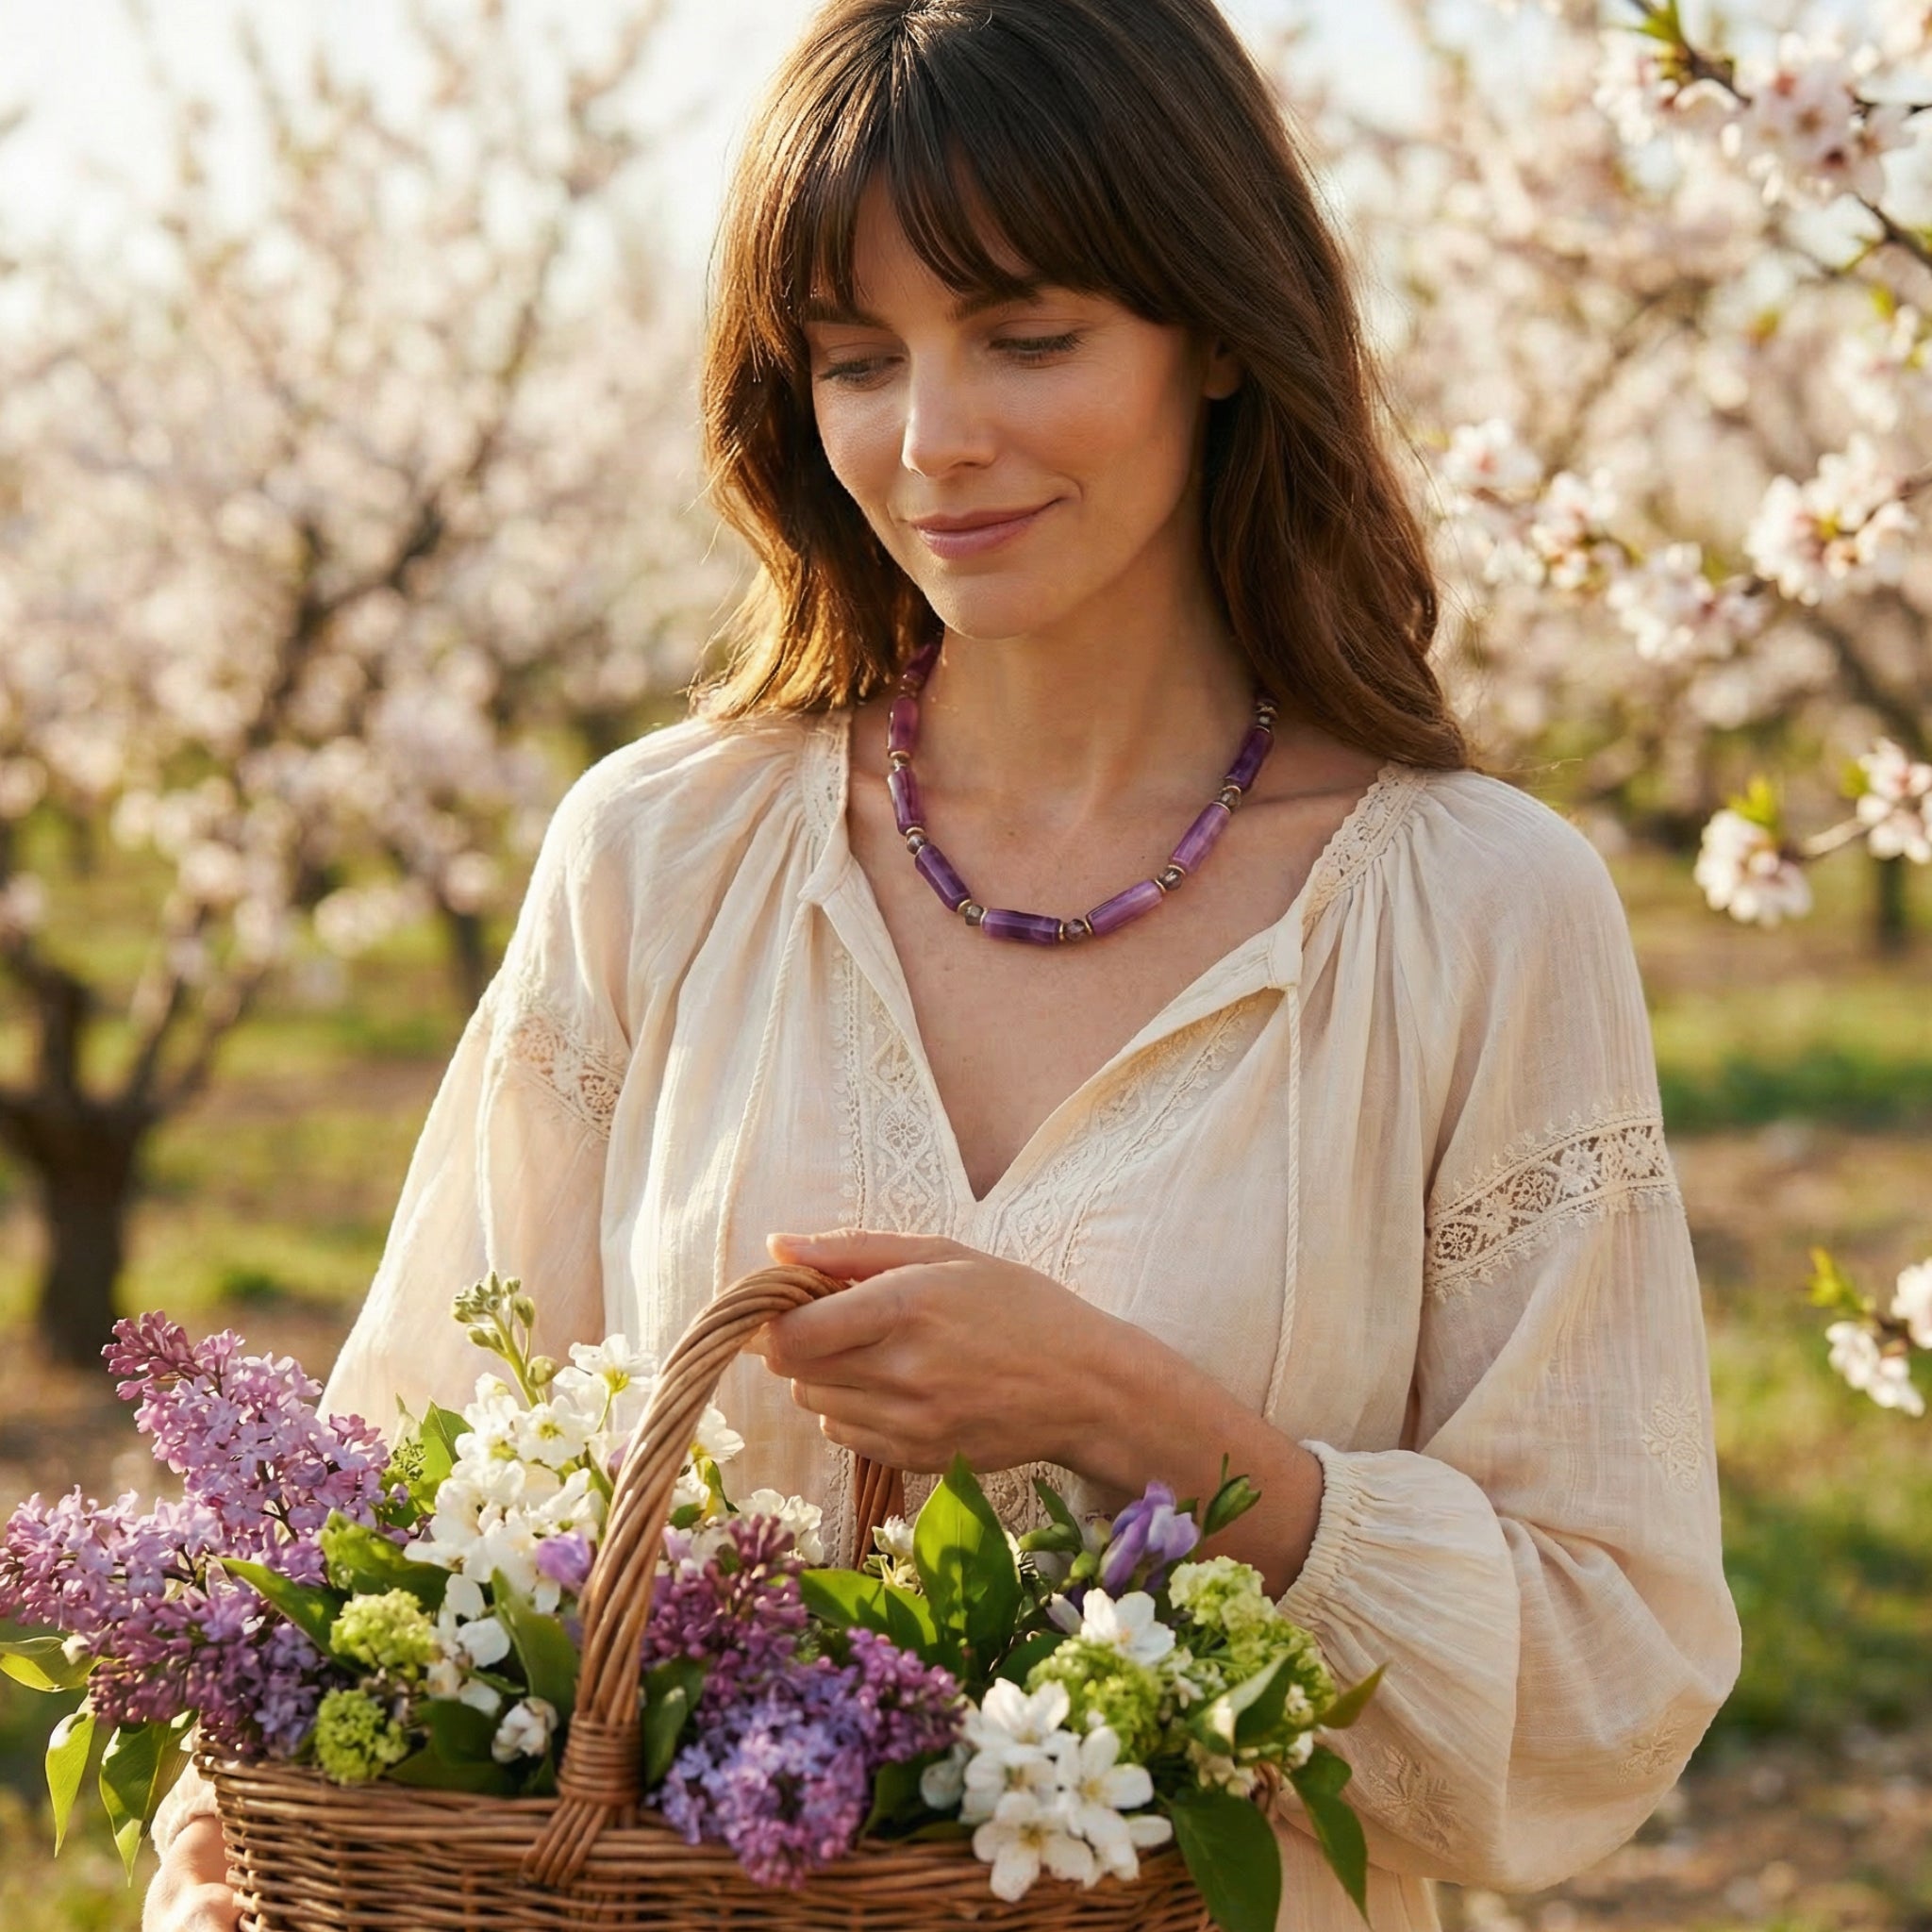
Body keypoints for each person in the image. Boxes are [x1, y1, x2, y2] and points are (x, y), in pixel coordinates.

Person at [143, 2, 1741, 1927]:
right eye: (855, 359)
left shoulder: (1478, 910)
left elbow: (1604, 1679)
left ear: (1220, 331)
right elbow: (386, 1495)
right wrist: (217, 1833)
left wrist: (1143, 1422)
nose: (932, 439)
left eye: (1028, 336)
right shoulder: (660, 855)